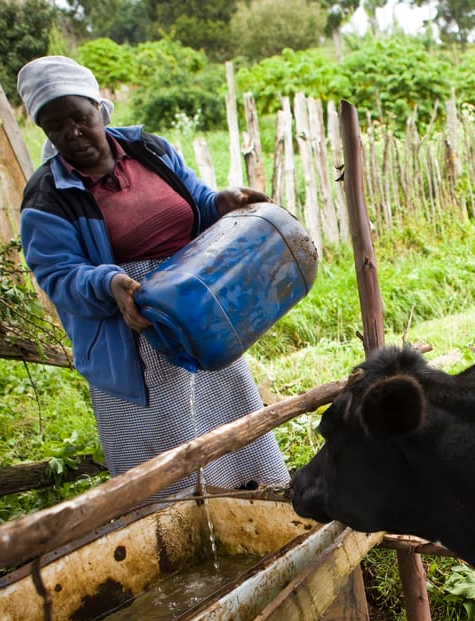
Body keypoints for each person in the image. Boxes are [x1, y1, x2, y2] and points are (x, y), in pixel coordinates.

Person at [16, 55, 289, 497]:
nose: (73, 133)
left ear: (100, 110)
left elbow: (194, 202)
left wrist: (221, 202)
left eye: (80, 118)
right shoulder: (48, 197)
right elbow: (58, 274)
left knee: (234, 431)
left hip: (200, 310)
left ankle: (256, 504)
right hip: (133, 333)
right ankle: (176, 535)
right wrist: (110, 283)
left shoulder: (150, 150)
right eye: (55, 127)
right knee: (169, 458)